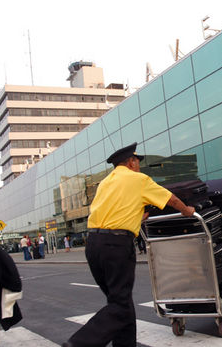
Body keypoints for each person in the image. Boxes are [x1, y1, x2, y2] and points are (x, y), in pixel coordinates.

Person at [63, 142, 194, 347]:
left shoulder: (105, 183)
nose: (139, 166)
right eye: (137, 162)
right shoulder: (139, 179)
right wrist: (187, 210)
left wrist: (138, 217)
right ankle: (79, 343)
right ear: (131, 163)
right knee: (120, 306)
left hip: (94, 245)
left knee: (120, 303)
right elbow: (170, 198)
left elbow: (114, 212)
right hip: (116, 246)